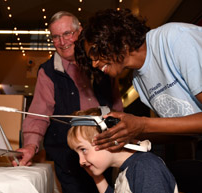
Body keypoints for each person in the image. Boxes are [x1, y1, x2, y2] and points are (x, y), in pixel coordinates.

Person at [12, 11, 123, 193]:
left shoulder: (100, 61)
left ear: (80, 31)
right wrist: (31, 145)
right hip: (69, 155)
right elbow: (39, 112)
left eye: (67, 34)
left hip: (105, 148)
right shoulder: (47, 72)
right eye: (56, 37)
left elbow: (116, 104)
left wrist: (122, 132)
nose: (62, 42)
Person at [74, 9, 202, 152]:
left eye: (94, 52)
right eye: (90, 59)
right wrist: (127, 134)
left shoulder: (175, 39)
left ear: (113, 36)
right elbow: (186, 132)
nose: (94, 64)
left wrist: (142, 124)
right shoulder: (138, 81)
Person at [67, 107, 179, 193]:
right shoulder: (123, 170)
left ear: (111, 136)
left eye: (83, 150)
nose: (81, 161)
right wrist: (97, 177)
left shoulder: (146, 167)